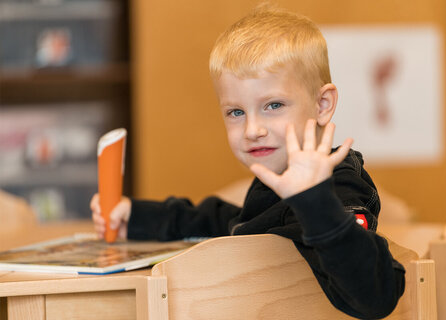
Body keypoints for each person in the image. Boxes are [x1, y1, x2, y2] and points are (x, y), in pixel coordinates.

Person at [91, 6, 405, 318]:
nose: (253, 130)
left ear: (322, 105)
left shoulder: (337, 185)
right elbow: (226, 225)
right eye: (236, 112)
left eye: (273, 105)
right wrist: (137, 217)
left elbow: (376, 296)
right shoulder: (275, 176)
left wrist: (316, 202)